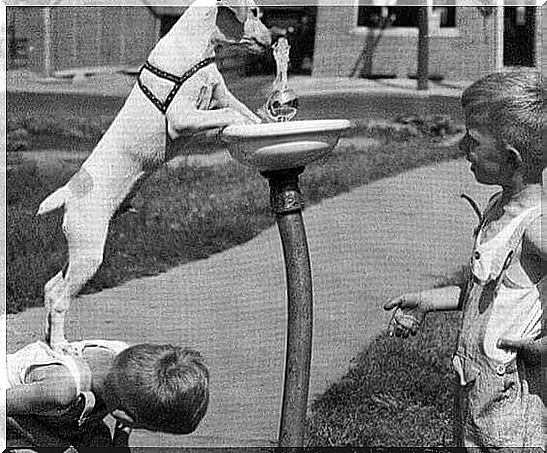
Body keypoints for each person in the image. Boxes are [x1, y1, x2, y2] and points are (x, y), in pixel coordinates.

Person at [384, 69, 544, 449]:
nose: (461, 149)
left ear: (511, 157)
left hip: (512, 404)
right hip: (476, 390)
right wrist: (428, 300)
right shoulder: (499, 207)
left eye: (472, 141)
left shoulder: (537, 227)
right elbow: (483, 294)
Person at [6, 339, 210, 450]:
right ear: (122, 415)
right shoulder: (61, 391)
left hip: (55, 417)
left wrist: (120, 441)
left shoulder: (127, 361)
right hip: (12, 412)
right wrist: (54, 445)